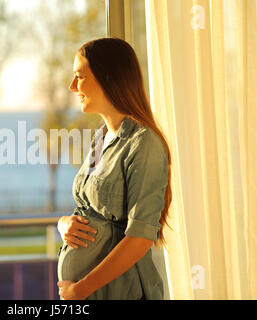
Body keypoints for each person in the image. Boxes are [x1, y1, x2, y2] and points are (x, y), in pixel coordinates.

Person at [56, 37, 172, 300]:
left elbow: (140, 239)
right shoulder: (101, 138)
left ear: (107, 77)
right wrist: (63, 224)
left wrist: (81, 289)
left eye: (79, 76)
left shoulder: (144, 144)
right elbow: (88, 208)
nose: (72, 86)